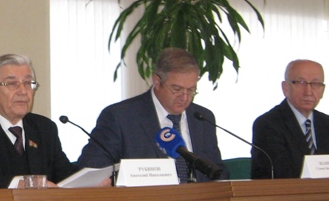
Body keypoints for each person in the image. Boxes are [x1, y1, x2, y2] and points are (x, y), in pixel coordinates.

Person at [77, 47, 228, 182]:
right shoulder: (120, 117)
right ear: (157, 81)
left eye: (191, 90)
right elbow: (93, 168)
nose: (184, 97)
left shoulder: (202, 118)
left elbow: (217, 172)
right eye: (176, 89)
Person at [0, 54, 84, 189]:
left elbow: (64, 174)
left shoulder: (44, 128)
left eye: (28, 83)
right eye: (12, 84)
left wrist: (91, 179)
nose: (23, 91)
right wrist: (23, 184)